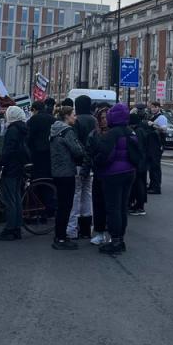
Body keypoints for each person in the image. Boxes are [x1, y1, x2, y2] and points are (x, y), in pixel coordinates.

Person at [94, 103, 138, 256]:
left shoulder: (112, 134)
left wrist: (97, 164)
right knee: (122, 208)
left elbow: (104, 155)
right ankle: (121, 239)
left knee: (113, 209)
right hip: (129, 172)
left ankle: (115, 241)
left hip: (112, 174)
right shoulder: (131, 132)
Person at [49, 105, 85, 250]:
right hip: (67, 172)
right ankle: (61, 238)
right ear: (67, 116)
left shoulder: (54, 129)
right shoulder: (67, 131)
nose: (75, 117)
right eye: (73, 115)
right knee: (66, 206)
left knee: (61, 205)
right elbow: (77, 151)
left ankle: (59, 235)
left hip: (57, 170)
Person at [0, 105, 29, 241]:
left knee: (10, 199)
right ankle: (17, 227)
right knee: (16, 198)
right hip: (19, 166)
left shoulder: (12, 130)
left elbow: (8, 150)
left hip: (11, 167)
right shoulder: (22, 128)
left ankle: (10, 228)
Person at [66, 95, 96, 240]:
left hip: (78, 162)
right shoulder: (94, 120)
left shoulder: (77, 121)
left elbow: (75, 142)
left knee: (76, 195)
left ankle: (72, 229)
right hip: (91, 163)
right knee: (87, 194)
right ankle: (86, 228)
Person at [88, 105, 111, 246]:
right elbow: (89, 152)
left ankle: (111, 233)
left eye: (106, 118)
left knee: (111, 206)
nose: (104, 120)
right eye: (101, 118)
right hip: (98, 173)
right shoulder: (94, 134)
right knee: (98, 205)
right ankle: (100, 232)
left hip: (111, 174)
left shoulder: (114, 134)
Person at [127, 108, 149, 216]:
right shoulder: (141, 130)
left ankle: (139, 206)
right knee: (141, 183)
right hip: (143, 161)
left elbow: (138, 147)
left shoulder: (138, 132)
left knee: (139, 184)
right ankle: (139, 204)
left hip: (139, 162)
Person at [25, 100, 53, 180]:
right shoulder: (52, 119)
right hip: (50, 152)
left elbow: (29, 137)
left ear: (34, 109)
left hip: (36, 152)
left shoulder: (32, 120)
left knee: (37, 177)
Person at [146, 101, 166, 194]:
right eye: (152, 107)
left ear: (158, 107)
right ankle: (152, 185)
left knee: (155, 167)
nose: (153, 109)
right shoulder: (152, 116)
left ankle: (156, 187)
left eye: (154, 107)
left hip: (157, 145)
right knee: (151, 167)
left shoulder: (161, 117)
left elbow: (163, 129)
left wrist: (153, 125)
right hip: (151, 145)